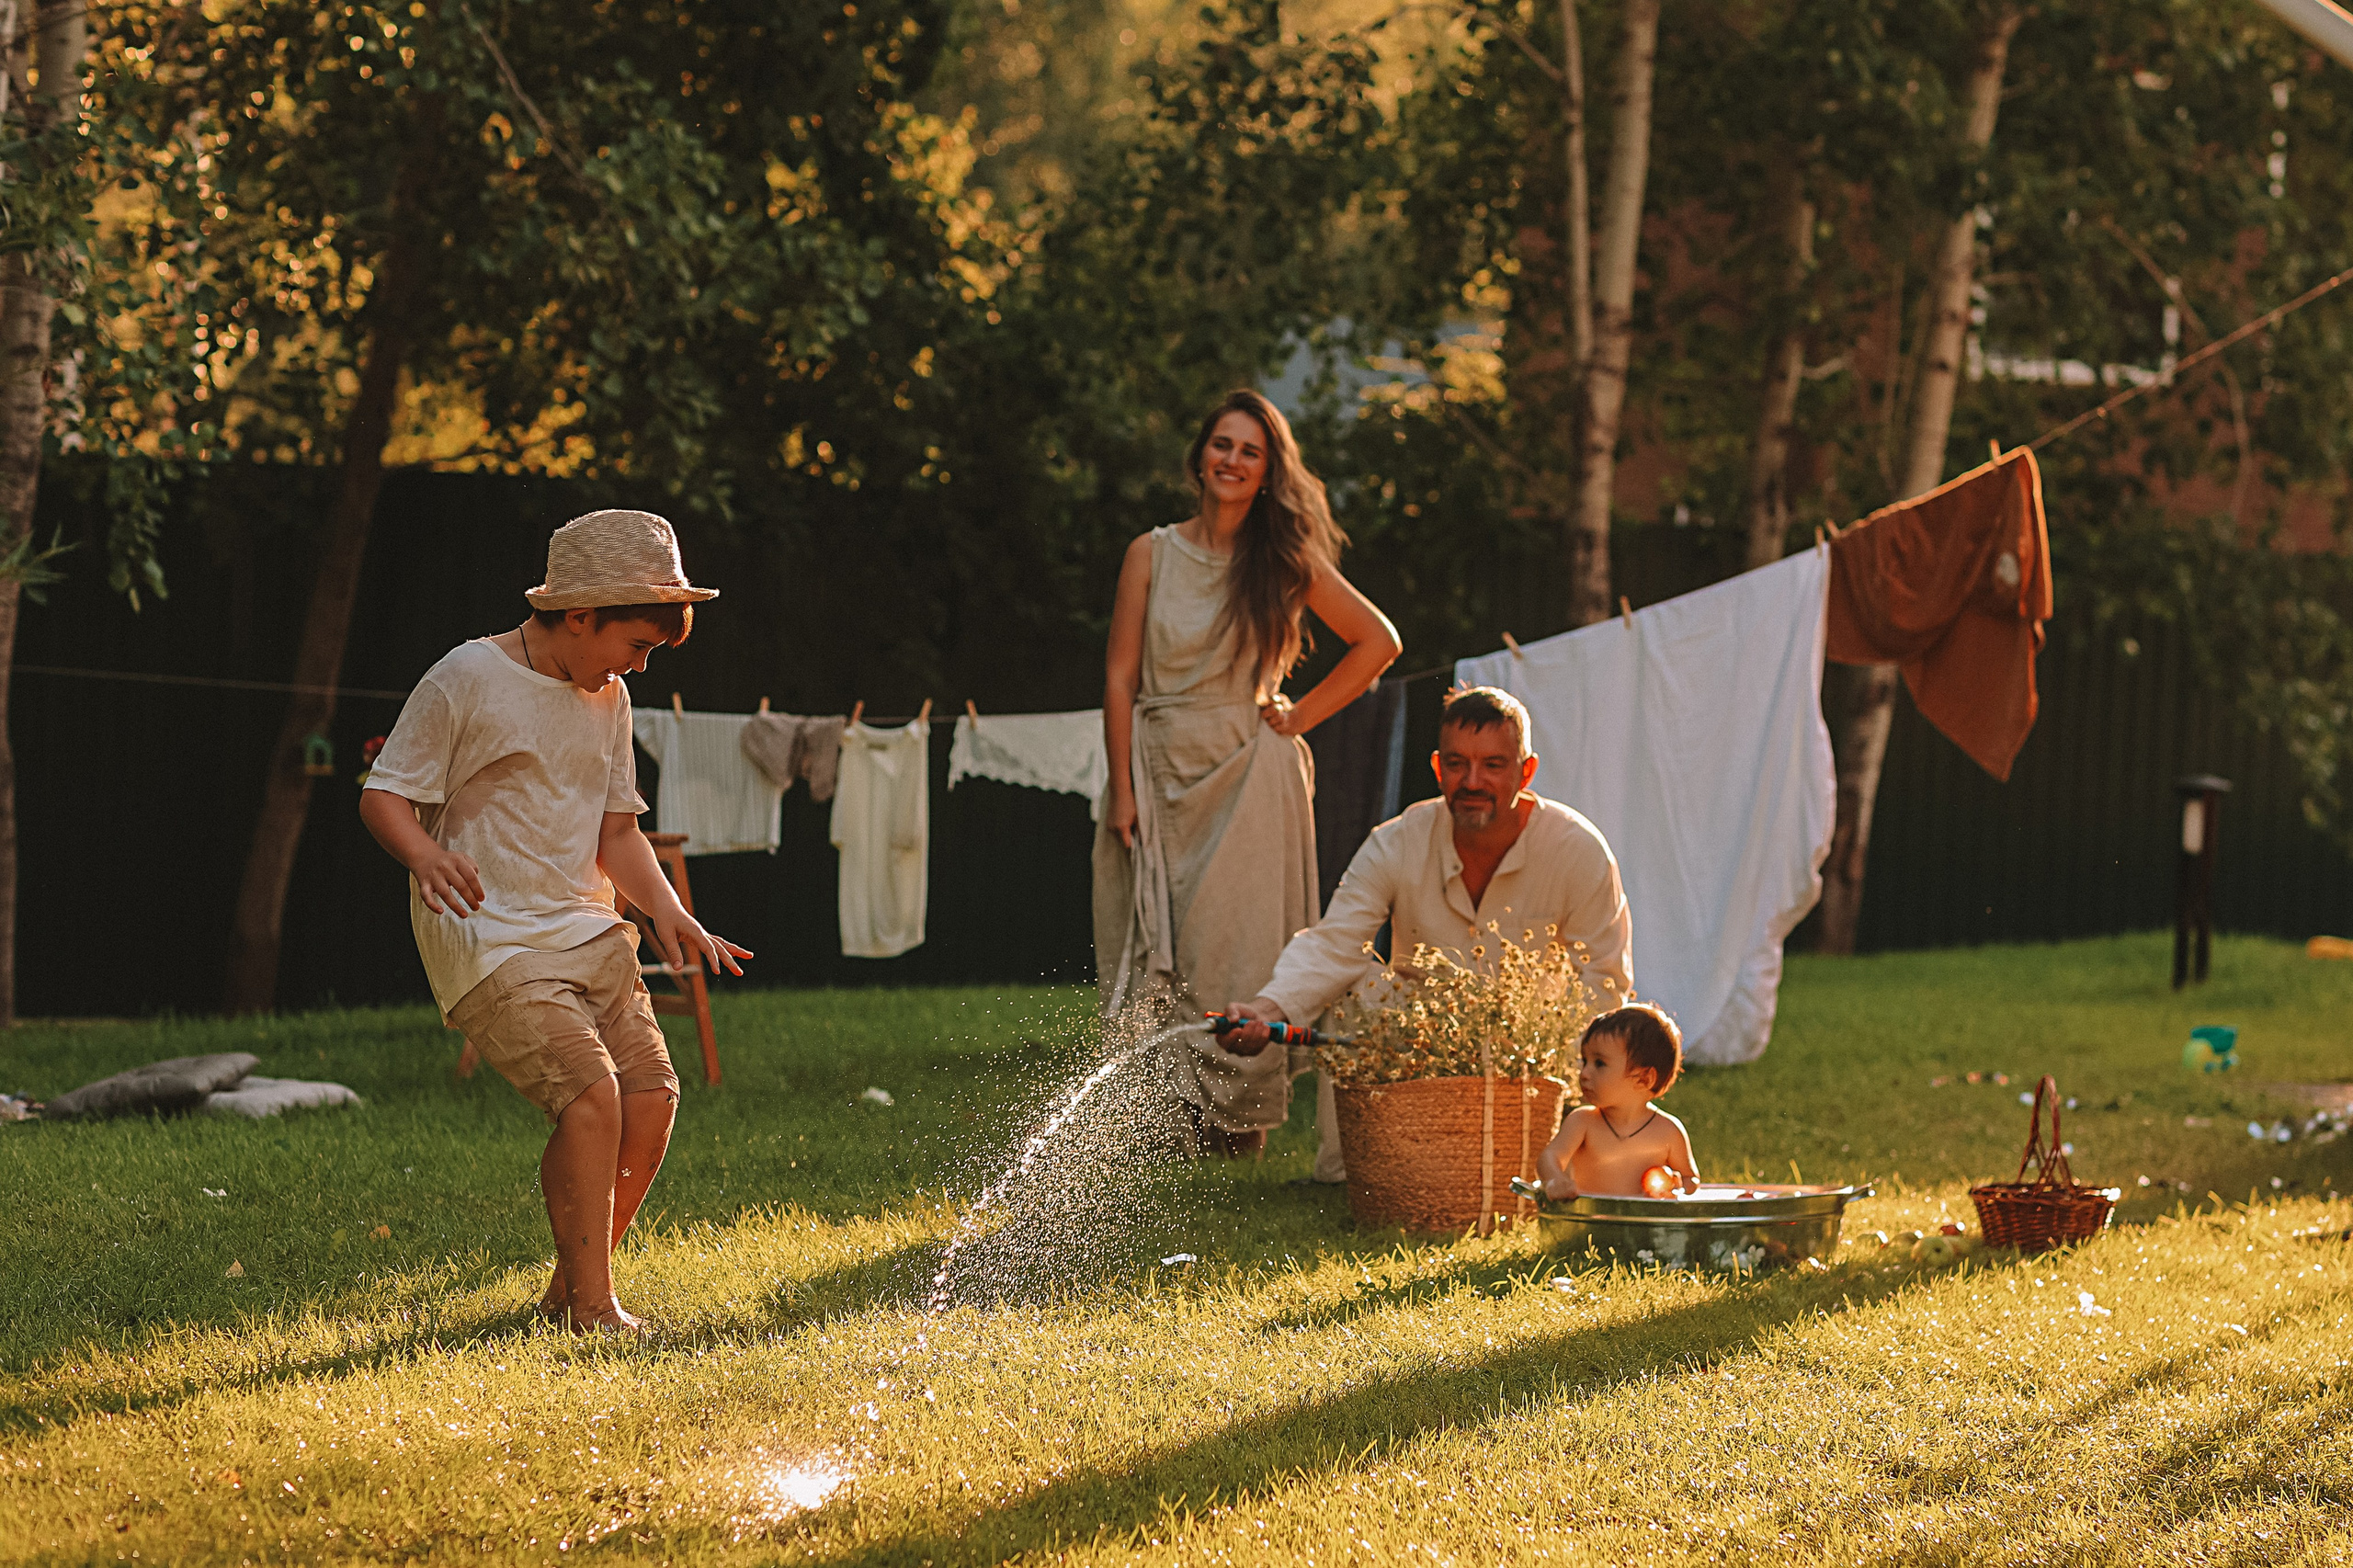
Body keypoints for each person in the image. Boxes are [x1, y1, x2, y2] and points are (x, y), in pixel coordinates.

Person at [359, 509, 751, 1336]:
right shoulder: (467, 676)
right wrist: (425, 857)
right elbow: (384, 794)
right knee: (590, 1096)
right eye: (634, 645)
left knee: (651, 1098)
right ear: (579, 615)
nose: (638, 666)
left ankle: (569, 1290)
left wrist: (671, 912)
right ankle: (595, 1308)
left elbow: (618, 833)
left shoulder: (611, 697)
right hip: (488, 930)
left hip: (583, 926)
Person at [1094, 389, 1402, 1157]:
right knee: (1149, 940)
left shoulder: (1283, 560)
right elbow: (1120, 678)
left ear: (1268, 473)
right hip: (1160, 768)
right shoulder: (1150, 553)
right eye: (1222, 444)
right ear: (1200, 457)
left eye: (1250, 451)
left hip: (1249, 774)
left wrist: (1300, 717)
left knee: (1233, 948)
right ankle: (1158, 1124)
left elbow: (1378, 641)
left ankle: (1239, 1127)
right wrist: (1123, 792)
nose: (1232, 460)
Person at [1223, 685, 1632, 1182]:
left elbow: (1604, 982)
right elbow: (1335, 942)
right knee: (1353, 990)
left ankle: (1522, 1161)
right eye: (1458, 764)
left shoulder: (1579, 850)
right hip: (1418, 1043)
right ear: (1438, 768)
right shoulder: (1397, 841)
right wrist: (1268, 1011)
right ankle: (1349, 1175)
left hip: (1526, 1056)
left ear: (1526, 772)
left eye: (1493, 765)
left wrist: (1569, 1086)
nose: (1472, 781)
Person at [1537, 1004, 1699, 1199]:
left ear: (1644, 1079)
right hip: (1592, 1215)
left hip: (1647, 1218)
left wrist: (1675, 1186)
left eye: (1599, 1063)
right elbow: (1550, 1157)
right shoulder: (1583, 1122)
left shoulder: (1668, 1131)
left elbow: (1690, 1179)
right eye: (1585, 1061)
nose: (1584, 1073)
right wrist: (1555, 1180)